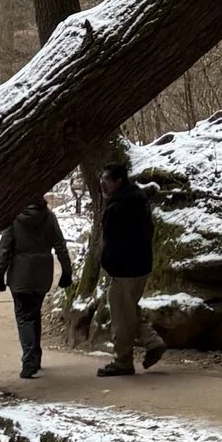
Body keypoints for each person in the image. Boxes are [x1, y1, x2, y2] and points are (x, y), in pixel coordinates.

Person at [91, 154, 164, 378]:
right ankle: (153, 342)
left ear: (119, 181)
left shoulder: (118, 208)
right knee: (129, 310)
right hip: (141, 266)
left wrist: (108, 265)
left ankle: (123, 361)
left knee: (122, 316)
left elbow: (113, 241)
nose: (103, 184)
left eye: (107, 180)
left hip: (123, 269)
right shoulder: (138, 201)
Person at [0, 194, 74, 378]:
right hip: (42, 273)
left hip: (20, 275)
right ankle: (35, 357)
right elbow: (60, 245)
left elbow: (5, 249)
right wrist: (67, 271)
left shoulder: (14, 218)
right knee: (34, 314)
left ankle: (29, 360)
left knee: (24, 317)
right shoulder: (49, 217)